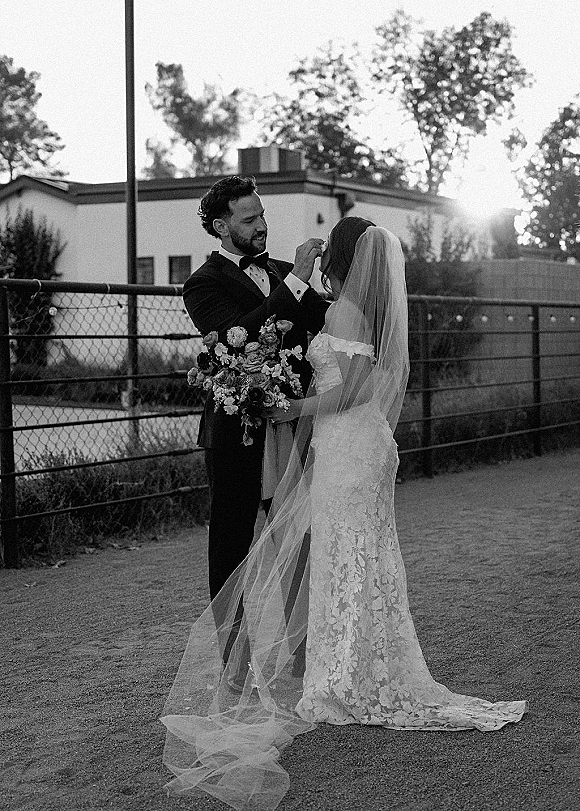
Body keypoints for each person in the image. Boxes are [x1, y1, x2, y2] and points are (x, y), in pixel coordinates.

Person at [163, 217, 528, 810]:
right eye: (251, 217)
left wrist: (287, 406)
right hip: (353, 444)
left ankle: (344, 676)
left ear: (340, 255)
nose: (265, 226)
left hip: (348, 444)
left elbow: (352, 388)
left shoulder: (343, 311)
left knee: (344, 551)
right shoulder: (351, 306)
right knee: (355, 551)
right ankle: (351, 665)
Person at [182, 175, 329, 603]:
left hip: (293, 422)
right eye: (249, 219)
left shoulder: (282, 272)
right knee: (231, 541)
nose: (261, 225)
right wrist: (298, 281)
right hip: (236, 429)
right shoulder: (202, 283)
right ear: (221, 227)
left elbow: (330, 328)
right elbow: (239, 336)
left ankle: (301, 650)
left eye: (262, 214)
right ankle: (232, 658)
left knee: (296, 539)